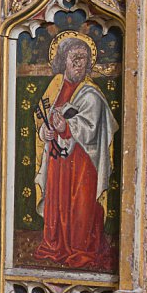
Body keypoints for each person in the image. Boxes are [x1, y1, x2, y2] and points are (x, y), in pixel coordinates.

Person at [34, 33, 118, 271]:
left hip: (82, 162)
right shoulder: (55, 88)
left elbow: (91, 127)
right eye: (75, 58)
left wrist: (66, 127)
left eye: (84, 59)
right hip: (58, 159)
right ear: (63, 61)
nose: (80, 64)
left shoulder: (91, 94)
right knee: (57, 201)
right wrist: (45, 131)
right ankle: (55, 245)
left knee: (79, 204)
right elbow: (43, 116)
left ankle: (80, 249)